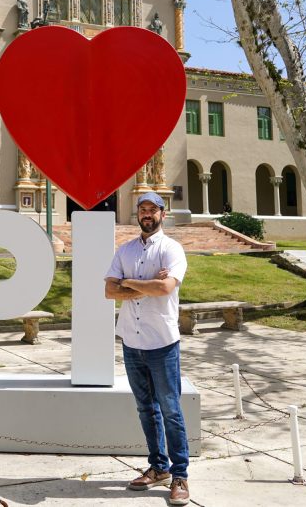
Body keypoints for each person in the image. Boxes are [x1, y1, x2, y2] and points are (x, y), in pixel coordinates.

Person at [105, 192, 190, 505]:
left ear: (162, 214)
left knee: (171, 408)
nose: (147, 214)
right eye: (143, 209)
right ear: (136, 214)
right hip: (131, 341)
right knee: (146, 408)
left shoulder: (171, 249)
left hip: (161, 343)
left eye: (153, 210)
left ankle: (180, 474)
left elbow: (165, 287)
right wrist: (144, 283)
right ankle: (158, 467)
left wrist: (129, 283)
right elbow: (108, 290)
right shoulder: (125, 249)